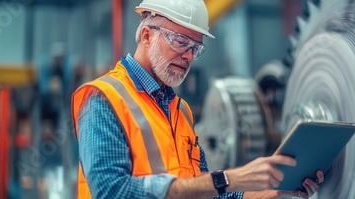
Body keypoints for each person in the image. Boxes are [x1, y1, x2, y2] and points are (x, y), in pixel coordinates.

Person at [71, 0, 324, 198]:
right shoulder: (102, 98)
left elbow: (208, 194)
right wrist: (229, 179)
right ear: (147, 36)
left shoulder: (180, 111)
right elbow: (113, 193)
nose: (189, 56)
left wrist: (276, 190)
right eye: (180, 41)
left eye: (196, 48)